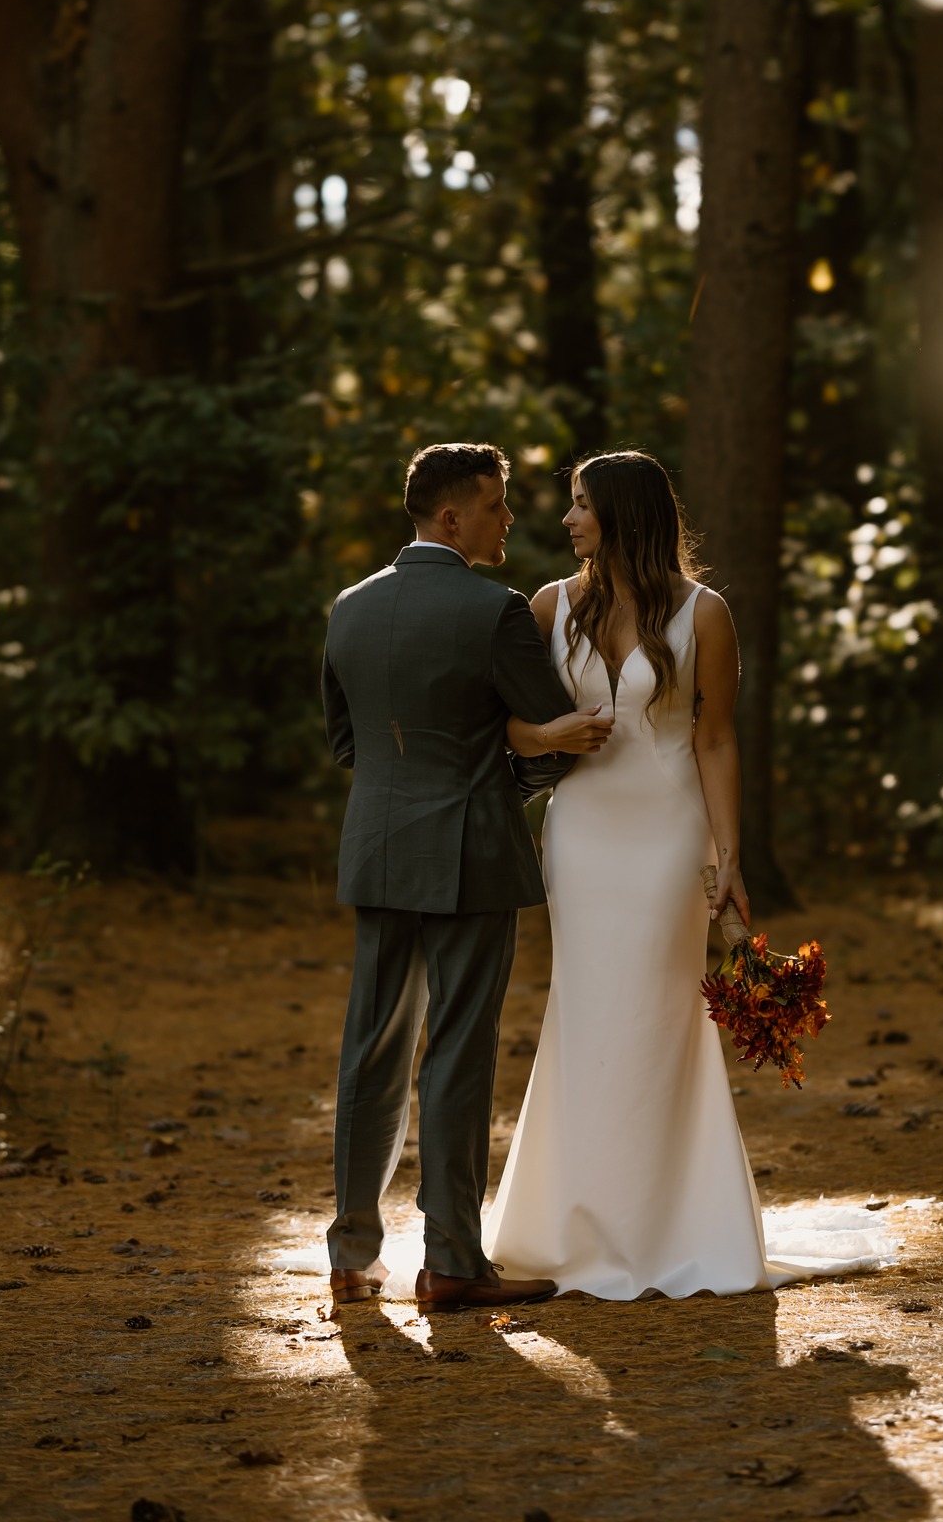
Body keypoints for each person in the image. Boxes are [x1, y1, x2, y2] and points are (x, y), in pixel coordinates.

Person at [484, 450, 894, 1298]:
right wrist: (553, 737)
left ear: (626, 515)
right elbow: (514, 732)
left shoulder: (704, 614)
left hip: (670, 836)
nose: (566, 522)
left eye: (581, 506)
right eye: (569, 506)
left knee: (664, 1012)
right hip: (583, 835)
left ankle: (675, 1220)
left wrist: (728, 852)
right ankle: (569, 1221)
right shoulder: (547, 606)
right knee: (587, 1009)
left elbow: (714, 738)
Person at [321, 441, 612, 1312]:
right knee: (455, 1052)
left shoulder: (349, 608)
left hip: (376, 847)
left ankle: (350, 1255)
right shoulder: (495, 610)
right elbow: (553, 732)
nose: (509, 520)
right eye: (495, 503)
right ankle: (450, 1261)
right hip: (472, 852)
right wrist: (508, 781)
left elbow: (346, 745)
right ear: (451, 516)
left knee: (369, 1050)